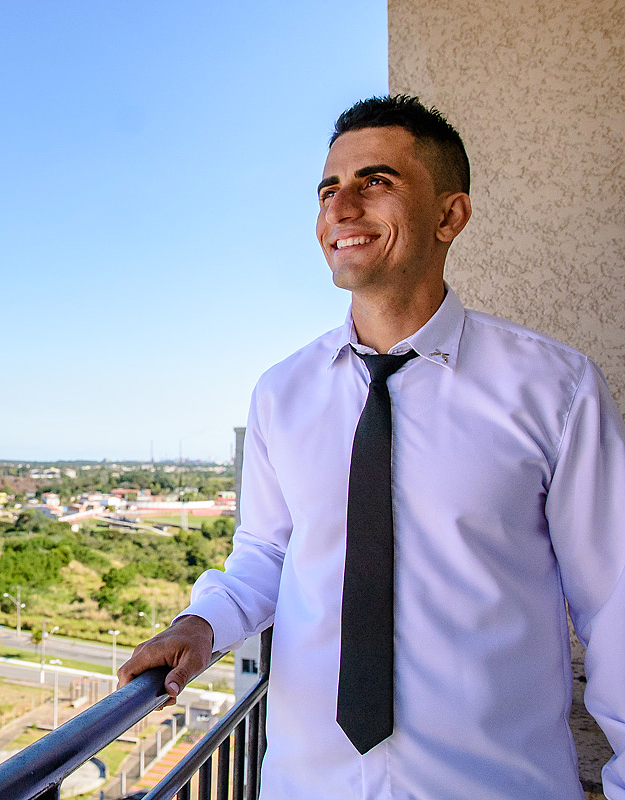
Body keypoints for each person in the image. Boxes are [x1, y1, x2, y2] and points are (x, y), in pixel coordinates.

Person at [117, 95, 625, 799]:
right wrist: (202, 624)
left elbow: (616, 605)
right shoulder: (281, 394)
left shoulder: (554, 389)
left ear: (450, 215)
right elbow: (265, 555)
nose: (341, 207)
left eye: (375, 182)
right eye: (329, 189)